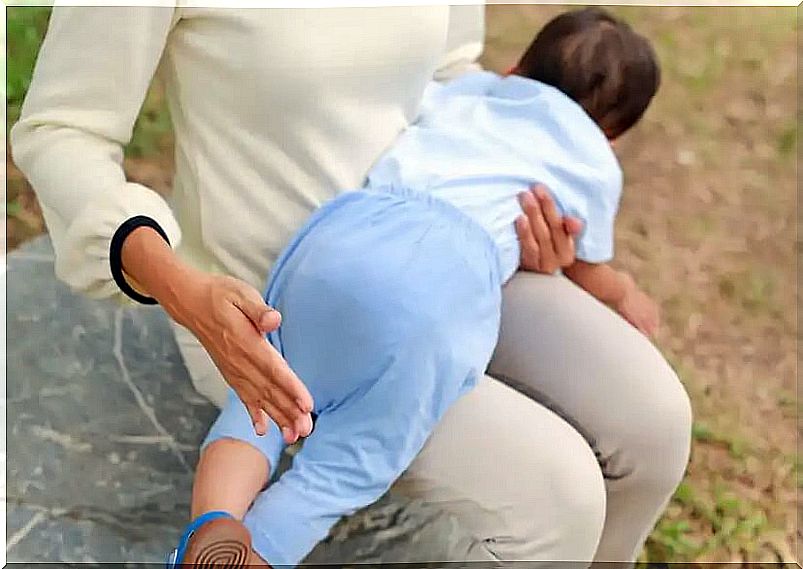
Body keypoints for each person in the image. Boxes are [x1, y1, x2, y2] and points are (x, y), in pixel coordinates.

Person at [11, 5, 692, 566]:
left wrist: (527, 195)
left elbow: (452, 70)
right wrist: (180, 288)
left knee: (656, 424)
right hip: (262, 295)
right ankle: (262, 547)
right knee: (557, 496)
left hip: (436, 243)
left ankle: (223, 530)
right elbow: (63, 131)